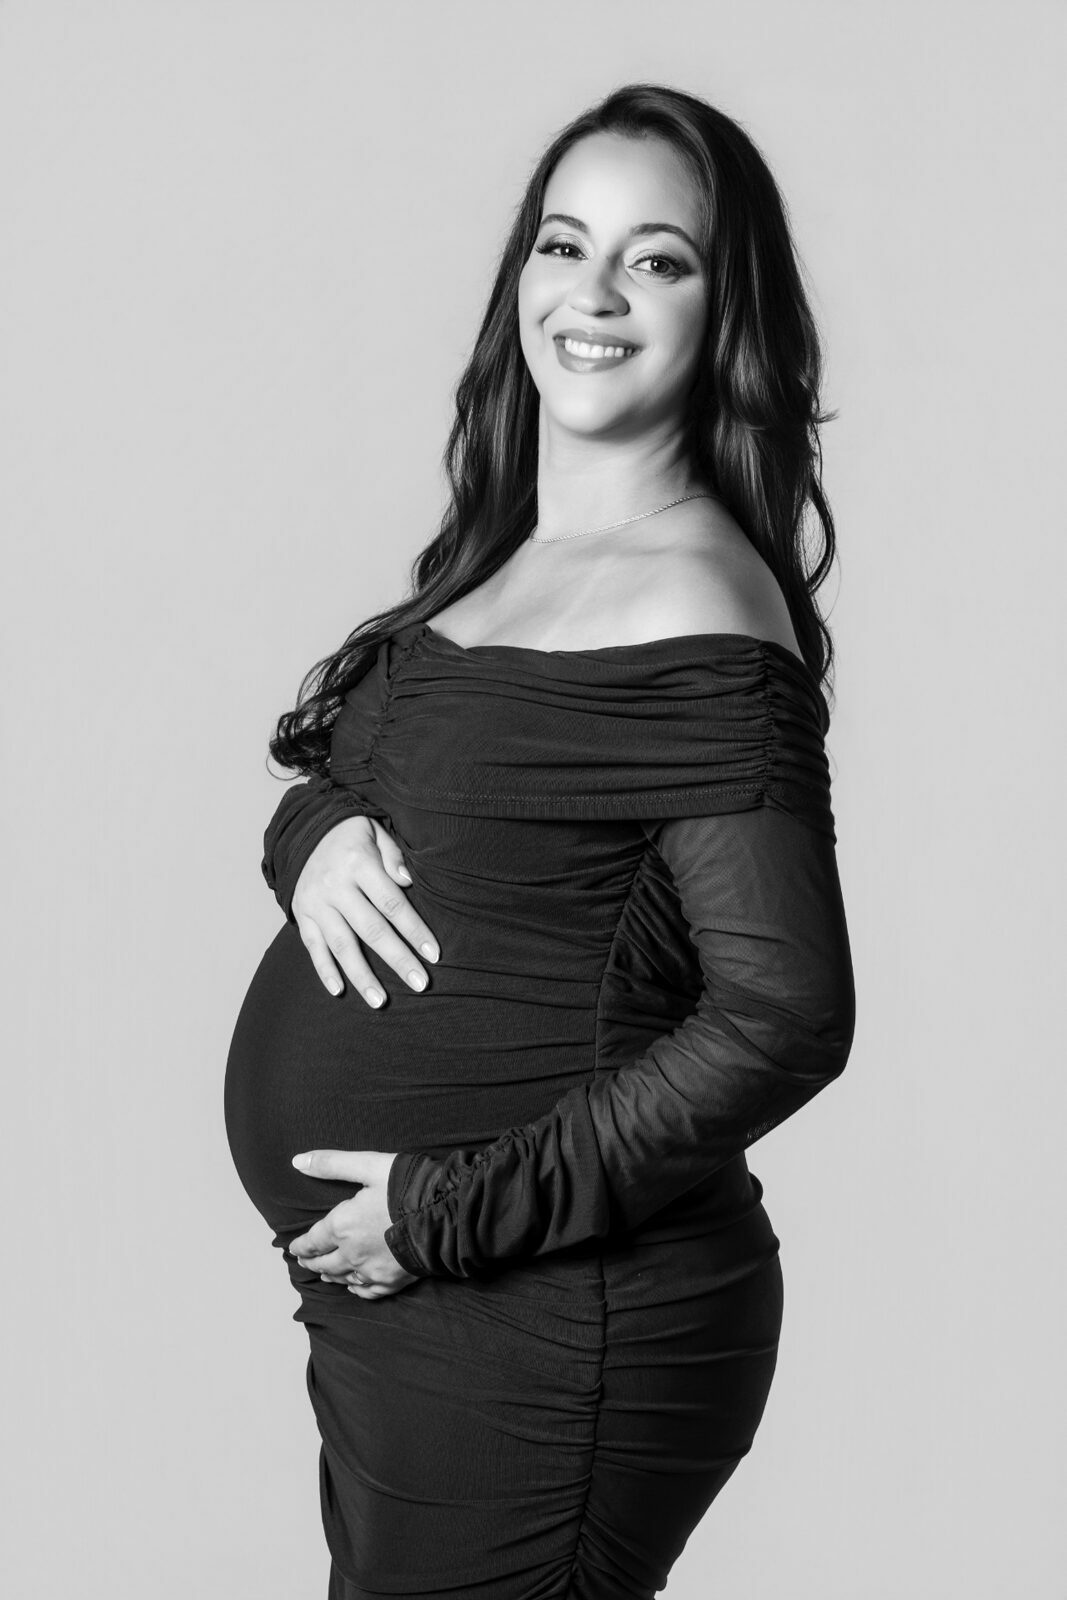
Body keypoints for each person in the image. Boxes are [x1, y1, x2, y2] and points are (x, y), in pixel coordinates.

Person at [225, 81, 856, 1600]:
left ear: (725, 310)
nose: (596, 293)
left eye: (659, 259)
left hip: (547, 1315)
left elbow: (784, 1013)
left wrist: (449, 1212)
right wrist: (316, 835)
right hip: (418, 1310)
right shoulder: (504, 558)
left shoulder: (699, 603)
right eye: (566, 245)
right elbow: (372, 780)